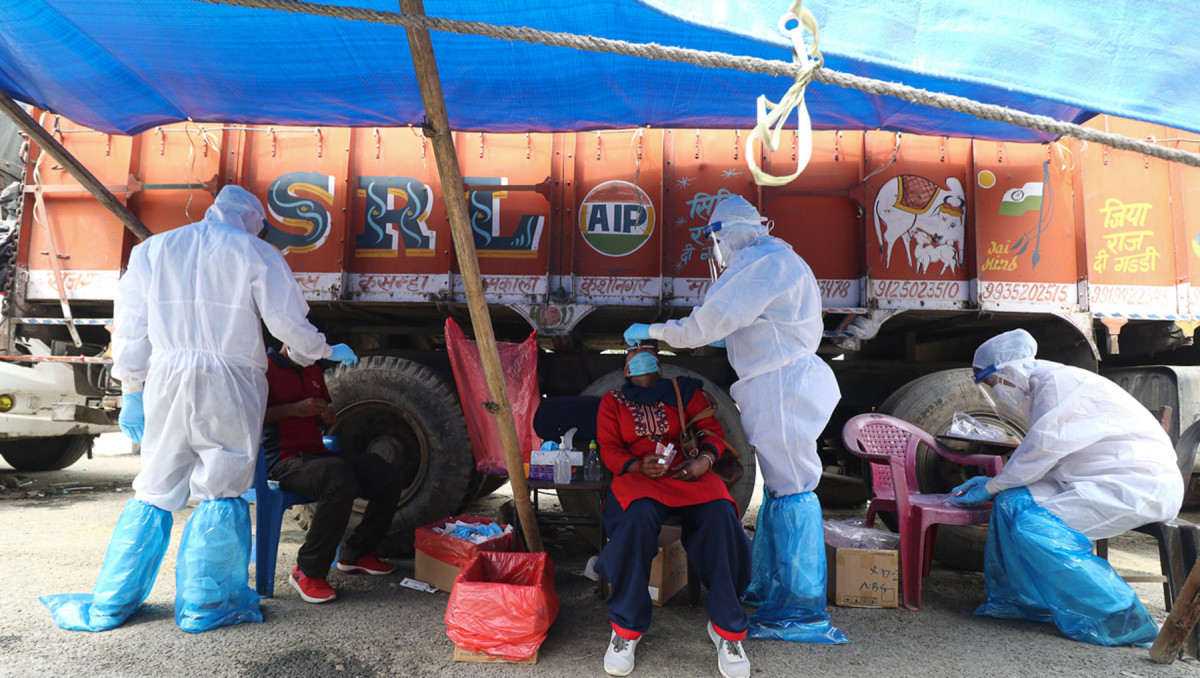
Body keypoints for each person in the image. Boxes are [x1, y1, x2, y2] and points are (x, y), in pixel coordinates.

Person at [40, 185, 359, 634]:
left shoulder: (153, 250)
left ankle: (113, 601)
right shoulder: (256, 252)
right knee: (221, 487)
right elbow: (288, 325)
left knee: (154, 486)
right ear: (254, 222)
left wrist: (132, 388)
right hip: (231, 383)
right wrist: (322, 350)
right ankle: (207, 604)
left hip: (167, 378)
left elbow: (130, 327)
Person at [623, 195, 846, 644]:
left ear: (728, 234)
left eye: (716, 240)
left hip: (781, 387)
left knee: (792, 490)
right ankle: (774, 589)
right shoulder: (778, 258)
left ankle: (798, 609)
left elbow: (704, 326)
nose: (717, 250)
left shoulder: (760, 263)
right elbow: (761, 322)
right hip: (780, 382)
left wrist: (653, 330)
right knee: (783, 489)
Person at [950, 328, 1184, 646]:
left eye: (992, 382)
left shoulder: (1057, 386)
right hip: (1097, 475)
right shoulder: (1042, 388)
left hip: (1136, 484)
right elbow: (1048, 454)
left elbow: (1044, 447)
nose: (995, 391)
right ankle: (1024, 601)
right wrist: (999, 487)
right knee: (1010, 502)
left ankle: (1123, 618)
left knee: (1034, 529)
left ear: (1007, 371)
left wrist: (992, 484)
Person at [595, 345, 751, 678]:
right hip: (640, 477)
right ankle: (626, 628)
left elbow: (712, 431)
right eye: (634, 358)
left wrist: (704, 461)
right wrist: (638, 465)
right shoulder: (613, 401)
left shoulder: (683, 391)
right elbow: (609, 449)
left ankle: (727, 629)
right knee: (636, 518)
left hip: (687, 473)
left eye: (648, 357)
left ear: (660, 367)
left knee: (721, 512)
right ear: (626, 371)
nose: (642, 361)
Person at [263, 343, 407, 604]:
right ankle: (307, 571)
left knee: (384, 474)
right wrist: (294, 409)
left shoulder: (313, 370)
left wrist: (326, 417)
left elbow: (321, 417)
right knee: (337, 477)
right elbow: (248, 415)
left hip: (316, 455)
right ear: (288, 339)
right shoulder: (264, 368)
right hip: (280, 460)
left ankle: (357, 553)